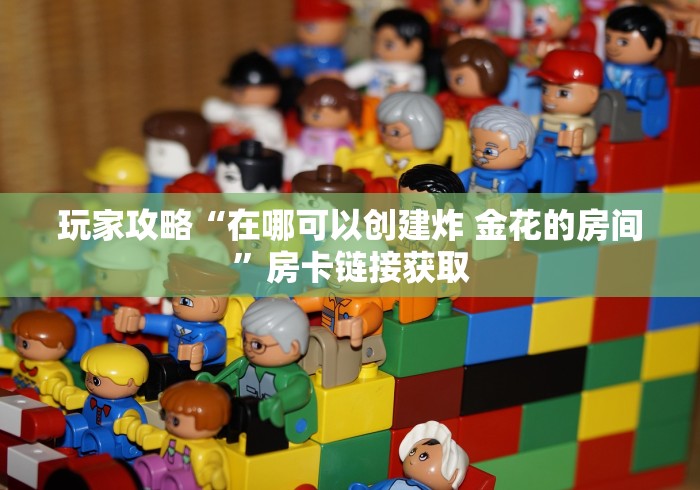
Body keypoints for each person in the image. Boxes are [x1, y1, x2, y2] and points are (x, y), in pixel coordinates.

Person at [196, 298, 317, 456]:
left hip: (280, 433)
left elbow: (300, 392)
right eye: (245, 340)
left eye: (257, 345)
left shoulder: (293, 377)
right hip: (242, 421)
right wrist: (213, 385)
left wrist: (279, 402)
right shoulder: (245, 364)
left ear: (293, 348)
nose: (248, 348)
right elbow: (230, 379)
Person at [113, 381, 232, 490]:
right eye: (166, 415)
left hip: (186, 484)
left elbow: (214, 465)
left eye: (175, 420)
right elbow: (152, 436)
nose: (168, 421)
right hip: (164, 480)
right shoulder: (170, 437)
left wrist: (213, 474)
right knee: (147, 467)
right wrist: (136, 430)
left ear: (206, 421)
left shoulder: (206, 450)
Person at [40, 343, 149, 460]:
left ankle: (95, 463)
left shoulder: (127, 410)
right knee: (71, 422)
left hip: (111, 448)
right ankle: (65, 451)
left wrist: (130, 427)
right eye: (88, 377)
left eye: (96, 381)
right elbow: (77, 397)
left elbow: (135, 426)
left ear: (130, 383)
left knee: (100, 439)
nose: (90, 383)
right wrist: (64, 394)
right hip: (89, 435)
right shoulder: (90, 397)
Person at [603, 5, 669, 138]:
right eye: (608, 39)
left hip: (640, 122)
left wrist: (639, 88)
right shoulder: (606, 68)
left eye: (623, 42)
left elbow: (652, 92)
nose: (612, 46)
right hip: (608, 116)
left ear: (655, 46)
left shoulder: (652, 77)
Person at [349, 420, 469, 490]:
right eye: (413, 452)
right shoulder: (396, 481)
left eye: (423, 456)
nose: (413, 460)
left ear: (453, 476)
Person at [0, 310, 75, 406]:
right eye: (17, 339)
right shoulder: (19, 359)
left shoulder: (53, 372)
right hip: (18, 401)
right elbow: (5, 358)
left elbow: (60, 386)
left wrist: (57, 387)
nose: (19, 346)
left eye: (24, 344)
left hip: (44, 410)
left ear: (59, 346)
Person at [436, 38, 509, 125]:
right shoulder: (447, 98)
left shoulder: (489, 108)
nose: (452, 82)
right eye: (448, 76)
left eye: (459, 79)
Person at [143, 111, 210, 193]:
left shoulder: (199, 184)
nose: (152, 157)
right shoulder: (148, 178)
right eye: (149, 149)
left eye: (161, 152)